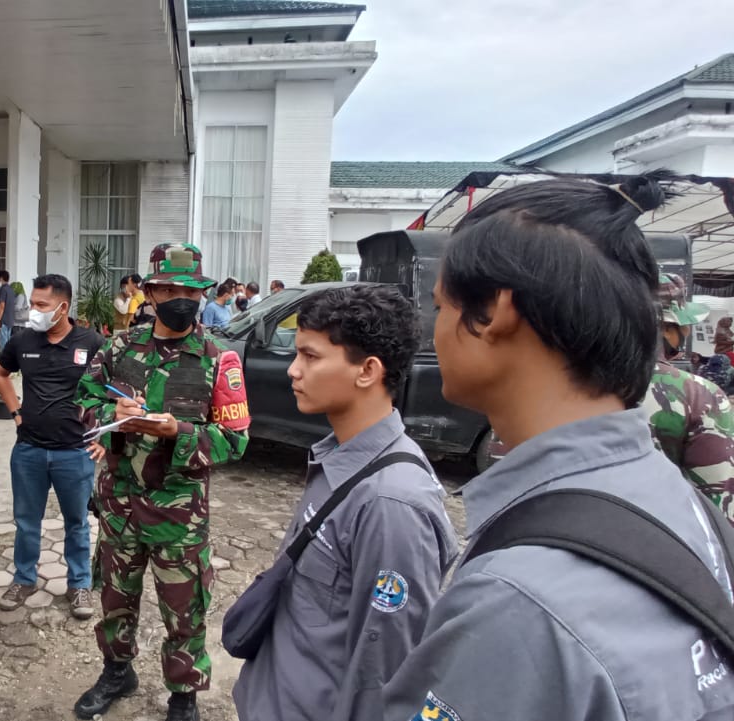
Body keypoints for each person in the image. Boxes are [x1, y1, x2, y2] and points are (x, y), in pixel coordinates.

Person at [381, 177, 734, 720]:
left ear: (497, 312)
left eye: (441, 308)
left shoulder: (518, 599)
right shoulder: (685, 509)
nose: (436, 333)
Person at [231, 285, 458, 721]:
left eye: (311, 357)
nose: (293, 371)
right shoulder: (340, 455)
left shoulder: (392, 502)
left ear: (367, 371)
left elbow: (383, 674)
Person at [74, 243, 250, 721]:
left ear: (202, 293)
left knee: (184, 609)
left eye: (189, 290)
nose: (179, 297)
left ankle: (183, 696)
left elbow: (235, 441)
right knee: (115, 598)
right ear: (149, 292)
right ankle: (117, 671)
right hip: (119, 507)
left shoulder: (219, 359)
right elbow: (84, 402)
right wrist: (112, 413)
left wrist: (179, 431)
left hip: (180, 514)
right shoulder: (118, 348)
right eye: (168, 288)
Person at [0, 274, 105, 618]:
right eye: (33, 305)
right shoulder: (23, 341)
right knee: (27, 521)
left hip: (75, 451)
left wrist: (104, 435)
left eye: (41, 306)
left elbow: (117, 390)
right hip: (29, 450)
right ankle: (24, 578)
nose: (33, 312)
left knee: (77, 523)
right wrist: (15, 412)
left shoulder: (93, 343)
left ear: (63, 307)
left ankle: (79, 585)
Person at [641, 273, 734, 521]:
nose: (688, 330)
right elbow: (722, 504)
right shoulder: (698, 395)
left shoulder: (571, 382)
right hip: (668, 542)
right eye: (685, 323)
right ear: (668, 328)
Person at [0, 270, 17, 347]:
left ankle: (4, 358)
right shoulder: (11, 290)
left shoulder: (3, 289)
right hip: (10, 319)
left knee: (3, 343)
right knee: (8, 341)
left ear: (1, 278)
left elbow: (2, 305)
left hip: (4, 320)